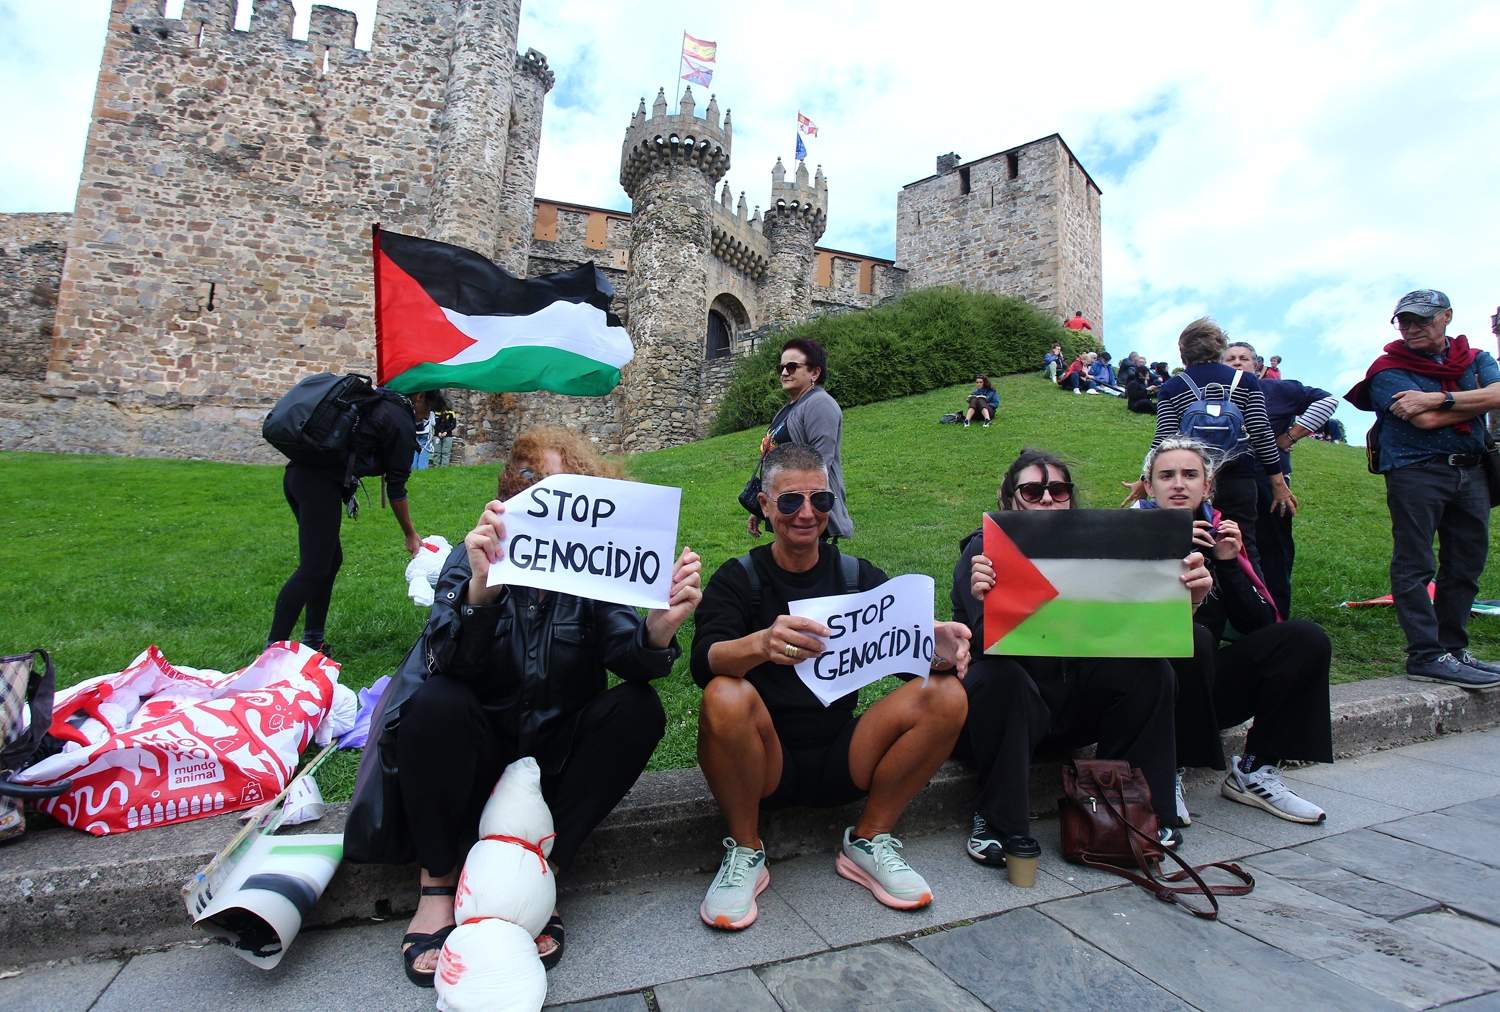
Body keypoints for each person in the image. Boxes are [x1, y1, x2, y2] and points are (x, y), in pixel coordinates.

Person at [343, 426, 703, 985]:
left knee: (639, 709)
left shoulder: (592, 571)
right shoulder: (471, 557)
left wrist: (658, 629)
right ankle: (438, 884)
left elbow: (629, 658)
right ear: (511, 491)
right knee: (436, 702)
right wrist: (482, 591)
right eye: (535, 482)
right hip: (474, 762)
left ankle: (542, 874)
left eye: (566, 487)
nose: (550, 499)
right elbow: (444, 660)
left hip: (550, 767)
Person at [692, 443, 971, 929]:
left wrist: (941, 649)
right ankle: (745, 849)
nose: (806, 514)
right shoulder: (740, 578)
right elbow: (704, 661)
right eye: (790, 501)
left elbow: (911, 662)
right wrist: (761, 643)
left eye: (819, 500)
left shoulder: (856, 576)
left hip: (844, 752)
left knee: (946, 695)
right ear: (764, 505)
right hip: (763, 759)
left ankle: (870, 838)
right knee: (723, 693)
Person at [953, 449, 1209, 865]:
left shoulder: (1101, 548)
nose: (1047, 498)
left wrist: (1190, 600)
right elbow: (981, 643)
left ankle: (1137, 808)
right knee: (1001, 677)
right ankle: (995, 819)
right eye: (1032, 491)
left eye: (1058, 489)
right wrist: (990, 599)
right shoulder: (983, 552)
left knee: (1151, 671)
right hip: (1008, 711)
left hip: (1075, 703)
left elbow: (1139, 632)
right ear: (1009, 499)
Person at [1136, 438, 1333, 828]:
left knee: (1304, 638)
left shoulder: (1221, 532)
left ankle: (1256, 769)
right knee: (1193, 637)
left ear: (1207, 486)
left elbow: (1260, 624)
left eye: (1190, 475)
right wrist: (1166, 552)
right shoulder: (1125, 533)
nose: (1179, 484)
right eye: (1167, 475)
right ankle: (1167, 769)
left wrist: (1228, 564)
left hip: (1206, 684)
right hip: (1146, 687)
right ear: (1149, 486)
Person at [1347, 289, 1500, 689]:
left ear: (1446, 316)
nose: (1412, 328)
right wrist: (1476, 401)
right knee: (1415, 562)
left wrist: (1437, 398)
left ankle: (1453, 649)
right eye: (1405, 322)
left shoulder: (1475, 357)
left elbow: (1496, 395)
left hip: (1472, 470)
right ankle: (1426, 654)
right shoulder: (1386, 370)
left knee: (1466, 562)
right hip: (1415, 472)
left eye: (1422, 320)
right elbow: (1424, 422)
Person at [267, 387, 438, 656]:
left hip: (299, 476)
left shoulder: (381, 403)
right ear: (419, 397)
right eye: (427, 409)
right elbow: (397, 488)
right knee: (314, 568)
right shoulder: (400, 420)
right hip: (318, 484)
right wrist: (410, 533)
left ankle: (314, 640)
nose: (424, 417)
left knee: (329, 560)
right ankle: (272, 652)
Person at [1124, 318, 1294, 575]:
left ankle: (1196, 597)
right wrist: (1278, 483)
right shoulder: (1246, 382)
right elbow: (1261, 433)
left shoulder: (1173, 387)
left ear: (1183, 352)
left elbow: (1164, 440)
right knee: (1242, 545)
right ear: (1220, 347)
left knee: (1191, 544)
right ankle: (1248, 598)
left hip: (1191, 481)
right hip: (1239, 478)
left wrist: (1143, 480)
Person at [1224, 341, 1338, 617]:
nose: (1237, 362)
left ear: (1257, 366)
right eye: (1230, 359)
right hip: (1227, 481)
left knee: (1273, 546)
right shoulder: (1215, 394)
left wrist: (1290, 436)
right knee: (1228, 543)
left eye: (1243, 358)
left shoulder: (1279, 389)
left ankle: (1276, 614)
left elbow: (1329, 401)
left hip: (1270, 481)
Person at [748, 338, 854, 542]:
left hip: (807, 515)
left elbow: (819, 465)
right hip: (786, 508)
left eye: (792, 367)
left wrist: (801, 507)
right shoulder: (788, 409)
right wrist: (762, 507)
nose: (784, 373)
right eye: (781, 367)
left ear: (815, 372)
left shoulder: (820, 404)